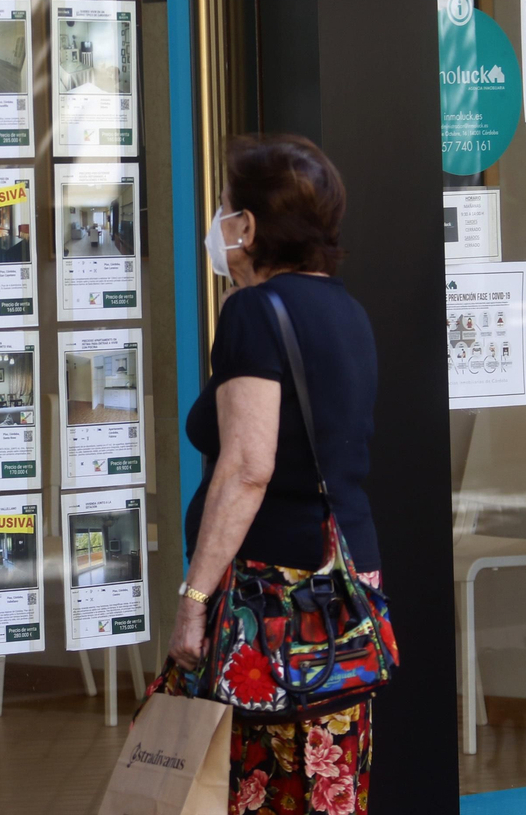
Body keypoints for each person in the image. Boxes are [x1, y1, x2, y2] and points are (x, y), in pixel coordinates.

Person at [147, 133, 382, 815]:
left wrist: (193, 601)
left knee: (260, 788)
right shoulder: (347, 310)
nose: (217, 224)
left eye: (224, 207)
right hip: (344, 589)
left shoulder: (253, 311)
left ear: (247, 227)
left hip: (273, 606)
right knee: (328, 789)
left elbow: (248, 467)